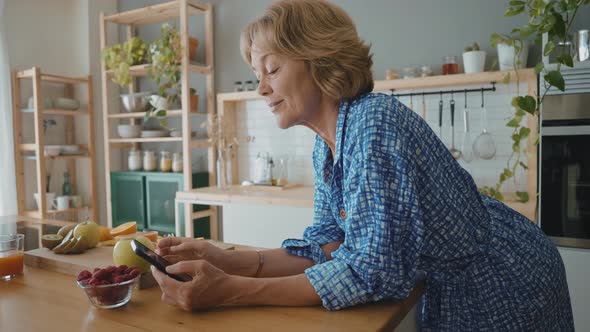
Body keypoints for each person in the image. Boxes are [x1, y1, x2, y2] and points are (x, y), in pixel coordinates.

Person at [151, 0, 574, 330]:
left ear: (318, 58)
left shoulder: (374, 123)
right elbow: (329, 245)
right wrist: (223, 259)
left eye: (272, 68)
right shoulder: (327, 143)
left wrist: (233, 291)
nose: (261, 87)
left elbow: (371, 271)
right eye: (257, 73)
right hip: (457, 283)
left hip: (504, 282)